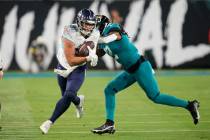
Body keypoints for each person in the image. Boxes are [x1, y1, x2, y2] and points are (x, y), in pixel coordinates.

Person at [91, 15, 200, 134]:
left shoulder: (112, 28)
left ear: (102, 25)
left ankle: (189, 105)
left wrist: (98, 39)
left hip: (140, 67)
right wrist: (88, 51)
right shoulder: (101, 39)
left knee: (155, 97)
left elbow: (115, 36)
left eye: (94, 27)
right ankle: (109, 124)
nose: (93, 29)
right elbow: (98, 52)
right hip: (131, 70)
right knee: (109, 90)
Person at [40, 9, 100, 134]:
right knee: (66, 96)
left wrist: (95, 54)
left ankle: (49, 122)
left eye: (91, 24)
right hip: (63, 65)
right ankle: (78, 102)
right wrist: (89, 57)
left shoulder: (96, 33)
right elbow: (71, 60)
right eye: (86, 23)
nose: (88, 27)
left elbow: (96, 45)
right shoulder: (69, 31)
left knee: (68, 95)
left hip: (78, 69)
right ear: (79, 22)